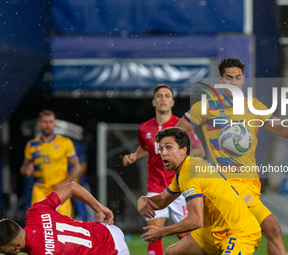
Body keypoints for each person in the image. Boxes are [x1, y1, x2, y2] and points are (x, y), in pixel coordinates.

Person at [175, 57, 288, 255]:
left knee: (191, 247)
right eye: (229, 78)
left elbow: (285, 131)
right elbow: (176, 135)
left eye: (238, 78)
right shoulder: (205, 107)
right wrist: (195, 151)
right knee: (273, 229)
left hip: (251, 184)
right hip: (229, 185)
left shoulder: (254, 106)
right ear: (220, 80)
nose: (234, 82)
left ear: (243, 79)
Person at [138, 127, 262, 255]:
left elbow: (196, 221)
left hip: (240, 232)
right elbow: (162, 200)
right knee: (173, 252)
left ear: (183, 150)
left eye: (168, 147)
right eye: (161, 149)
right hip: (212, 232)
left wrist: (161, 232)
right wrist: (144, 199)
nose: (163, 153)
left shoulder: (191, 172)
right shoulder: (184, 172)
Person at [122, 84, 205, 255]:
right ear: (153, 102)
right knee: (153, 230)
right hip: (156, 188)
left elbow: (200, 150)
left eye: (167, 96)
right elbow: (145, 148)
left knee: (186, 235)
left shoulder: (181, 125)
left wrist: (181, 158)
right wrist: (134, 156)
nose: (163, 99)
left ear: (172, 101)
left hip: (179, 187)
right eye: (159, 96)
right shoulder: (144, 128)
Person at [0, 182, 130, 255]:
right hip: (108, 229)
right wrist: (98, 208)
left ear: (16, 246)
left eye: (1, 250)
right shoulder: (35, 212)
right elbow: (72, 187)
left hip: (113, 252)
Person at [20, 110, 82, 217]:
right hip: (40, 191)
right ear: (39, 124)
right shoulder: (32, 145)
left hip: (60, 192)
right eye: (45, 122)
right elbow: (24, 168)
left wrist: (65, 182)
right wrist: (26, 170)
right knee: (38, 224)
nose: (47, 125)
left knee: (64, 225)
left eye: (50, 122)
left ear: (54, 124)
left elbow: (77, 167)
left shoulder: (65, 143)